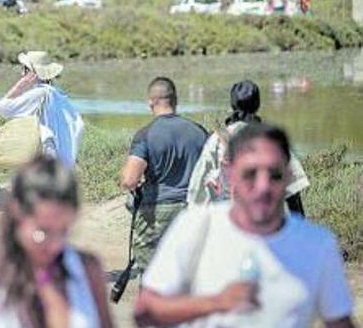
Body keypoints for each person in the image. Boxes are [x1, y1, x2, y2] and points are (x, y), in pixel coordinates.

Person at [135, 124, 355, 328]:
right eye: (250, 173)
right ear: (230, 174)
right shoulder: (195, 227)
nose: (263, 186)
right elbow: (145, 310)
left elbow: (339, 320)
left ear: (289, 177)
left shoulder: (317, 244)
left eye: (274, 175)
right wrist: (217, 303)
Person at [0, 154, 114, 328]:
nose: (55, 245)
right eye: (43, 232)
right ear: (17, 214)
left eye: (63, 231)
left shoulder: (87, 271)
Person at [119, 77, 208, 273]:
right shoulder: (199, 131)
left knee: (152, 273)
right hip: (193, 210)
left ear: (151, 102)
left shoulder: (146, 134)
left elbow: (129, 180)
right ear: (175, 100)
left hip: (157, 212)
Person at [187, 80, 309, 213]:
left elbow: (198, 189)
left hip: (227, 218)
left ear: (232, 105)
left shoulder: (217, 139)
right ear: (258, 104)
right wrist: (299, 224)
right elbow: (293, 189)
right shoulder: (270, 137)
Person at [0, 51, 84, 168]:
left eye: (25, 69)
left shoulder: (40, 93)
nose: (22, 74)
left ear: (32, 73)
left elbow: (1, 108)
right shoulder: (56, 93)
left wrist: (20, 86)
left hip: (44, 151)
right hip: (56, 153)